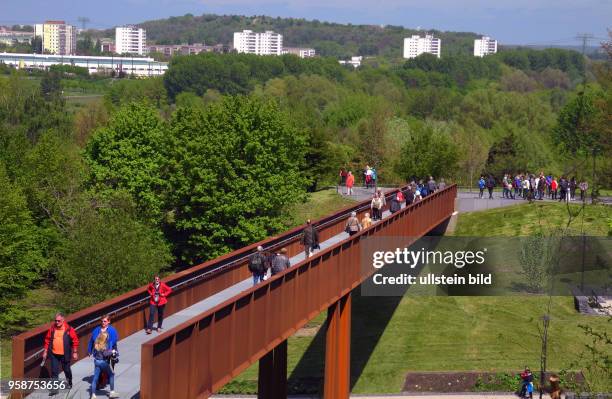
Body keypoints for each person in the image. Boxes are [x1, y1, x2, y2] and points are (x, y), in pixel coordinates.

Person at [42, 313, 79, 390]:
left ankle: (69, 382)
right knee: (54, 371)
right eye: (55, 321)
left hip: (65, 354)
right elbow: (47, 340)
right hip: (54, 354)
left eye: (59, 321)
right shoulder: (52, 328)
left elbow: (75, 340)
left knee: (67, 370)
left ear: (63, 320)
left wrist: (75, 352)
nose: (57, 322)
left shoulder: (69, 329)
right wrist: (45, 351)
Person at [88, 315, 119, 399]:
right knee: (111, 374)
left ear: (108, 321)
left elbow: (114, 342)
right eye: (102, 321)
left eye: (104, 321)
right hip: (103, 361)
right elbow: (106, 353)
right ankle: (112, 392)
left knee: (95, 377)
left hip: (96, 361)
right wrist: (113, 351)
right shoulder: (103, 346)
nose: (103, 323)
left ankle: (93, 395)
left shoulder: (97, 344)